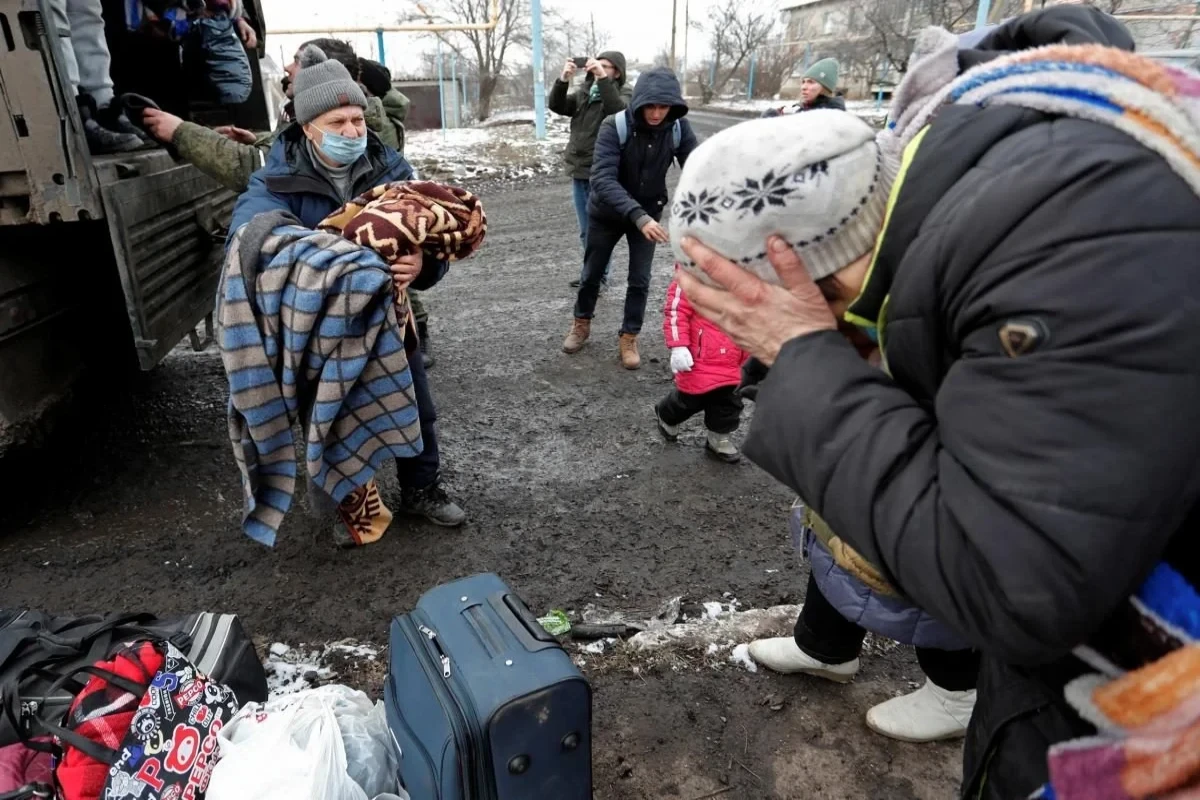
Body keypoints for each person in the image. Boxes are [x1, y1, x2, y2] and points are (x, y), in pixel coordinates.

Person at [670, 6, 1199, 797]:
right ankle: (834, 645)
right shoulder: (963, 201)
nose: (754, 349)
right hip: (1059, 695)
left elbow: (1013, 581)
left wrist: (804, 358)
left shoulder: (1075, 241)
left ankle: (942, 684)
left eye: (757, 321)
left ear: (815, 276)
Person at [229, 45, 465, 528]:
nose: (353, 132)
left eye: (358, 120)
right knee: (331, 415)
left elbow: (431, 237)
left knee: (415, 403)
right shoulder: (274, 183)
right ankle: (349, 507)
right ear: (307, 127)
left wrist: (420, 265)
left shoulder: (393, 171)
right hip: (322, 330)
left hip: (390, 320)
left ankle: (422, 488)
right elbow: (251, 240)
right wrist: (330, 265)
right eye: (338, 124)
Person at [562, 67, 698, 370]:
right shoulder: (615, 125)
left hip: (648, 214)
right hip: (607, 213)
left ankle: (629, 336)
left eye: (664, 107)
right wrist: (639, 217)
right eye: (651, 106)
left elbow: (698, 168)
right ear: (639, 102)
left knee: (640, 279)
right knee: (592, 273)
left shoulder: (677, 127)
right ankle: (581, 322)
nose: (656, 113)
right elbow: (603, 179)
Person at [548, 51, 632, 290]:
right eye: (597, 66)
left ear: (617, 71)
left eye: (607, 67)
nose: (598, 70)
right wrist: (563, 80)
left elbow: (618, 112)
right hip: (579, 169)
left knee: (599, 228)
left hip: (604, 172)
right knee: (586, 230)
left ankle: (598, 276)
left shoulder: (624, 93)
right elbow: (557, 105)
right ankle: (592, 273)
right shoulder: (585, 92)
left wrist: (603, 79)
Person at [655, 275, 747, 463]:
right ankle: (667, 414)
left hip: (736, 355)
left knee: (730, 401)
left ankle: (719, 437)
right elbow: (676, 311)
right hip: (701, 357)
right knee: (691, 399)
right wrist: (678, 346)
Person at [760, 58, 845, 118]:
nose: (804, 87)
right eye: (803, 82)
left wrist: (774, 123)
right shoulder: (807, 107)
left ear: (826, 87)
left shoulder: (831, 116)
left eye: (811, 82)